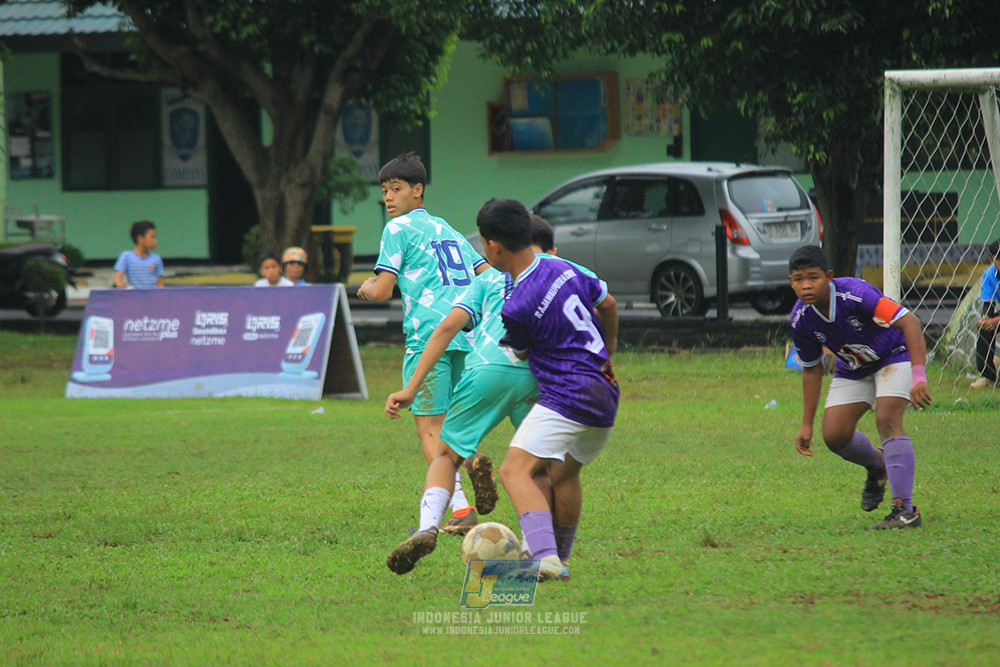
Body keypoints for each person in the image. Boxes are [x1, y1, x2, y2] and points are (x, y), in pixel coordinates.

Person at [384, 215, 565, 574]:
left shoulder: (488, 282)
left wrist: (411, 387)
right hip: (537, 377)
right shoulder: (559, 274)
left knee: (445, 455)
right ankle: (543, 553)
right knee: (536, 467)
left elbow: (447, 327)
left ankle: (428, 528)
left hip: (486, 369)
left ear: (495, 245)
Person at [357, 153, 488, 533]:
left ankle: (461, 507)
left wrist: (365, 289)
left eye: (396, 189)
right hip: (466, 333)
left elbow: (382, 290)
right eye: (384, 191)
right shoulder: (447, 229)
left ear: (418, 190)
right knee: (452, 423)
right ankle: (472, 462)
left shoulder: (396, 229)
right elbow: (485, 272)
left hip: (427, 338)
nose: (388, 198)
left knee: (429, 428)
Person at [491, 198, 618, 581]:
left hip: (567, 393)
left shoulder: (516, 304)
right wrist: (607, 351)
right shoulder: (564, 267)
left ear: (493, 245)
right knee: (563, 476)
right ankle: (559, 561)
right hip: (605, 390)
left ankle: (543, 558)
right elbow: (608, 304)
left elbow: (522, 352)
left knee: (514, 472)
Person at [787, 245, 931, 530]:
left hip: (894, 355)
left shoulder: (856, 294)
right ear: (791, 281)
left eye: (813, 277)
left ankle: (905, 509)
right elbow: (812, 369)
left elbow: (910, 322)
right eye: (798, 279)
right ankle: (878, 464)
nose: (806, 285)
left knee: (887, 419)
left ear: (829, 277)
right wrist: (806, 425)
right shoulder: (800, 318)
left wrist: (918, 376)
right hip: (854, 367)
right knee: (835, 435)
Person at [970, 239, 1000, 388]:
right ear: (992, 259)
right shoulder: (989, 274)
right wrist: (985, 318)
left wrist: (997, 320)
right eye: (999, 258)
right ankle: (987, 375)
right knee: (985, 327)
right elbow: (988, 304)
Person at [113, 220, 164, 289]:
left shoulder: (157, 259)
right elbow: (117, 280)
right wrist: (121, 285)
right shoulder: (126, 257)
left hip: (152, 298)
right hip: (134, 297)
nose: (155, 240)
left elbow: (160, 284)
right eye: (152, 237)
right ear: (141, 238)